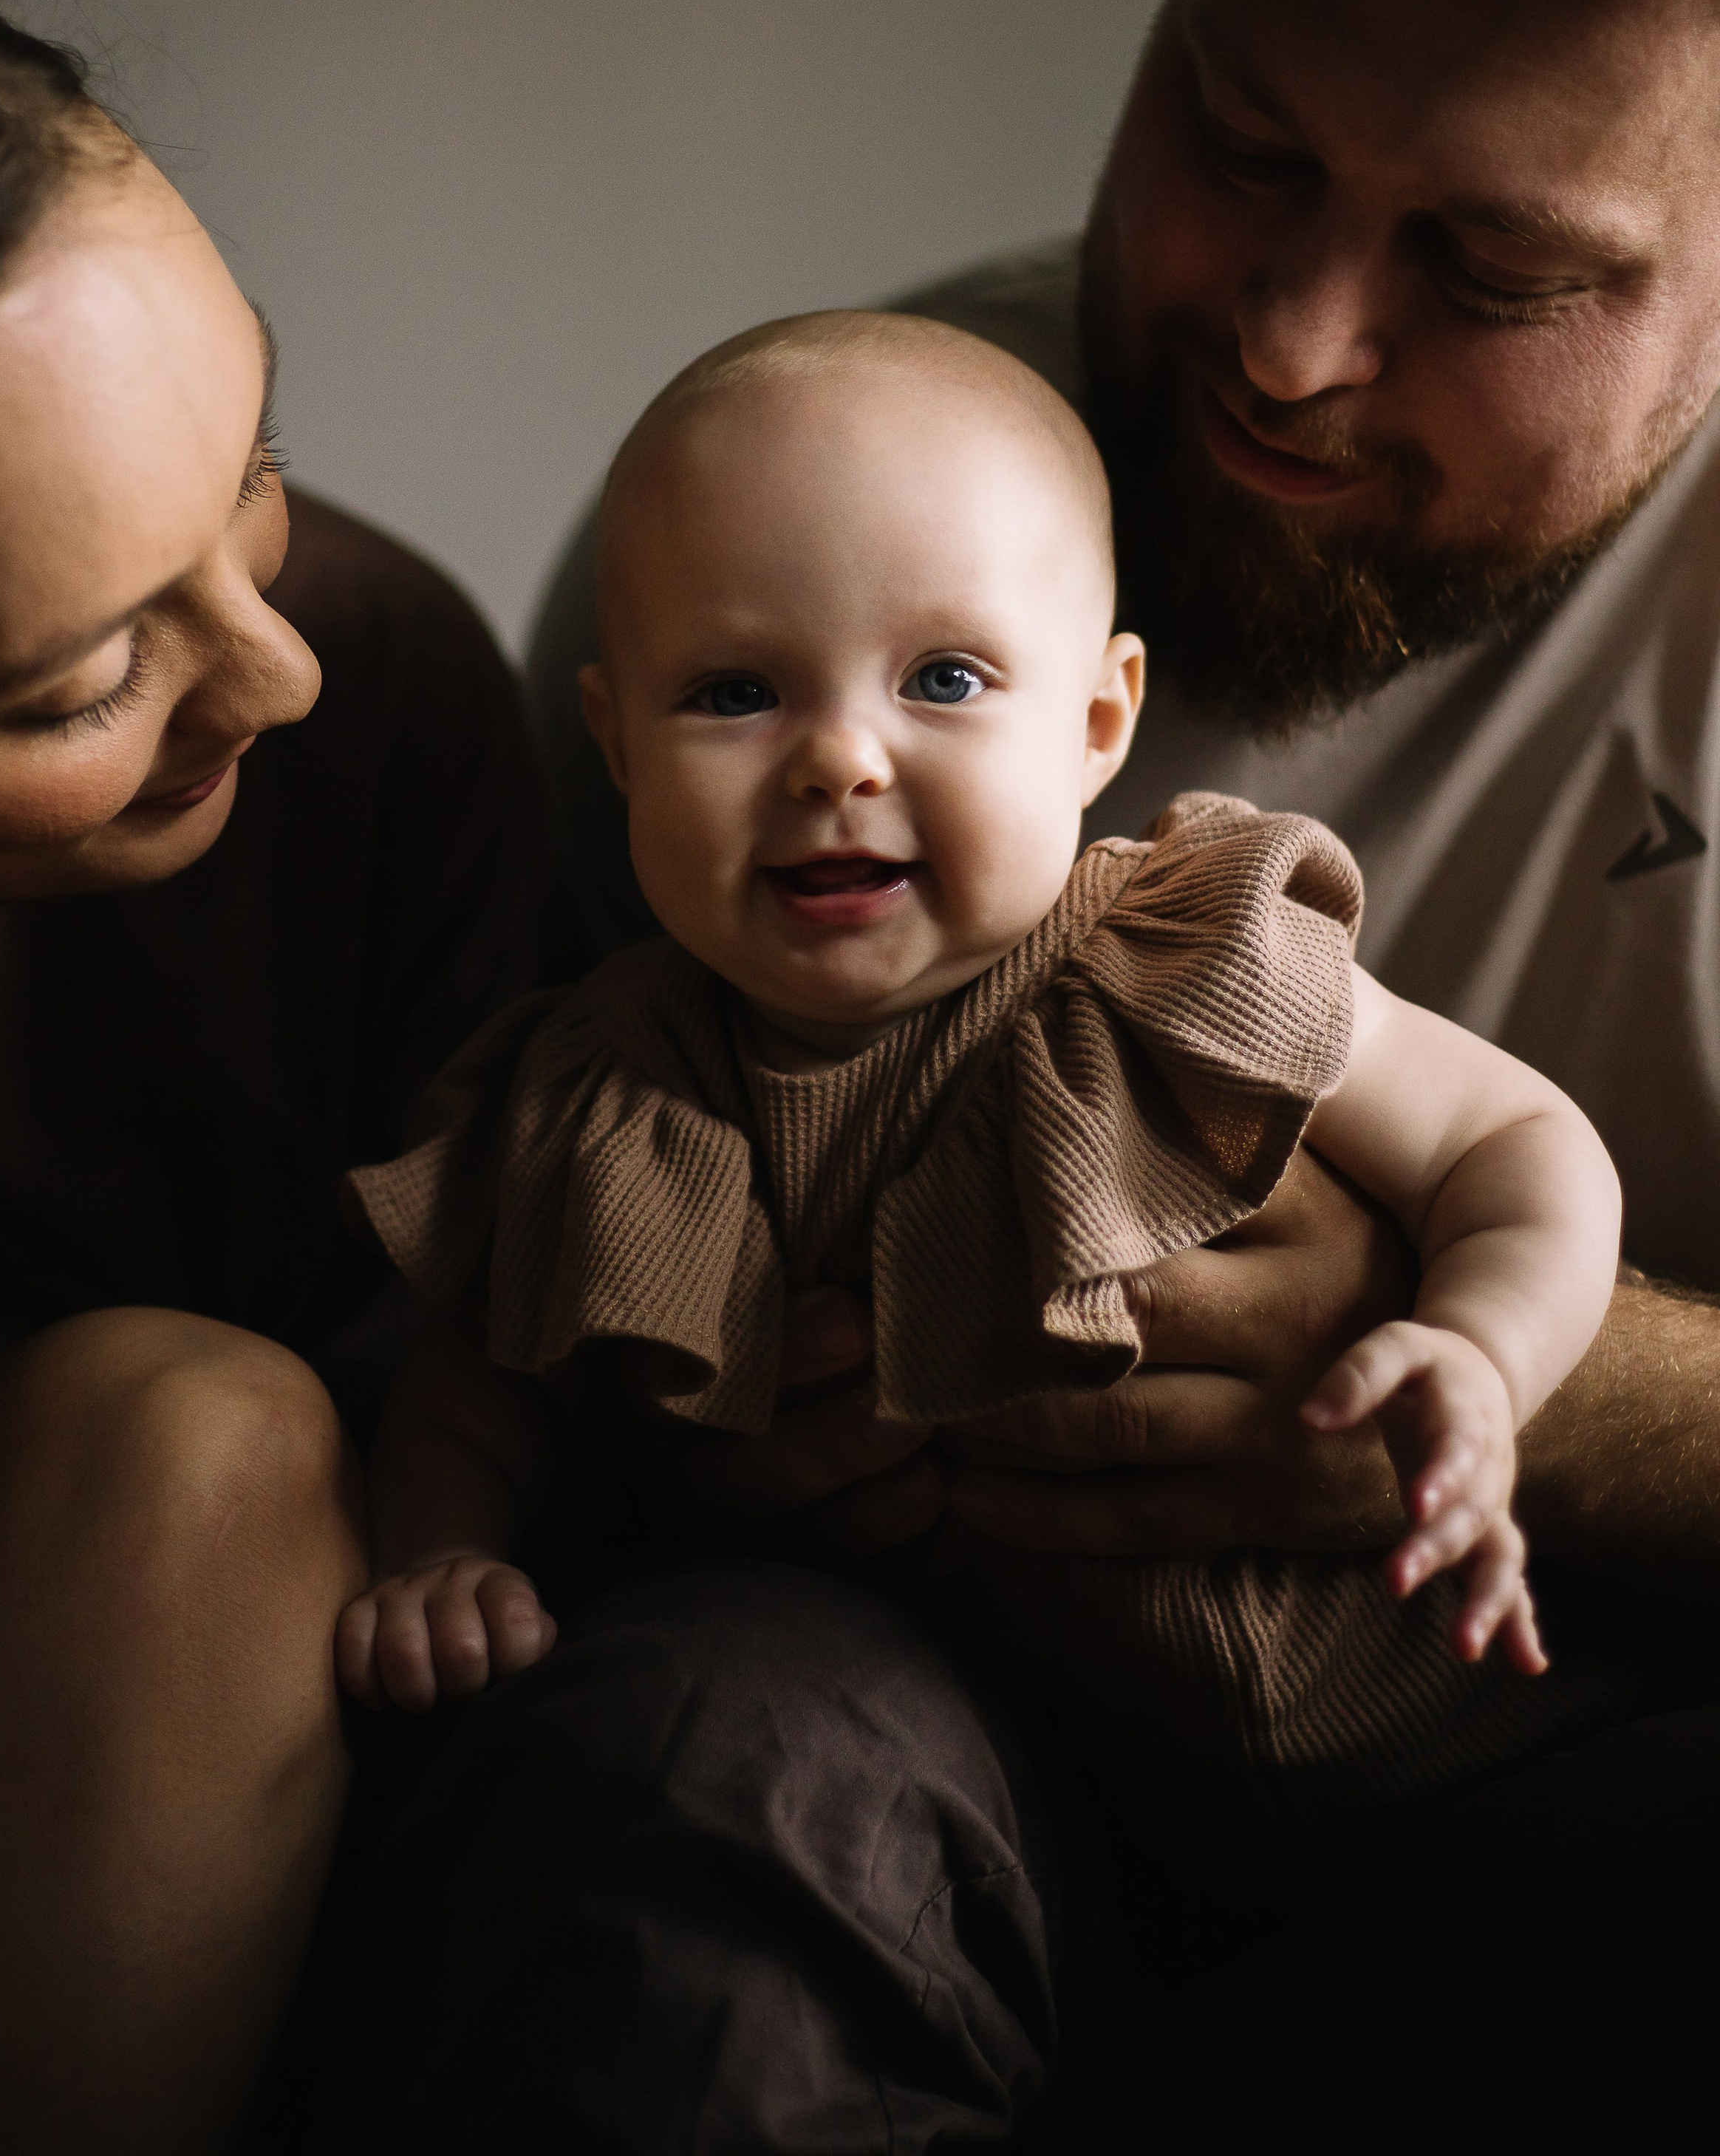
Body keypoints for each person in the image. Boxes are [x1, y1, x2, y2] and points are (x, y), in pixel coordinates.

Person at [300, 0, 1720, 2149]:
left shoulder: (1215, 921)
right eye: (1242, 135)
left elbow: (1503, 1168)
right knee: (685, 1775)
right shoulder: (812, 500)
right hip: (936, 1710)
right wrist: (666, 1437)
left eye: (1498, 272)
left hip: (1547, 1720)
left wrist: (1536, 1382)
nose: (1290, 342)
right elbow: (536, 1278)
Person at [340, 307, 1638, 1829]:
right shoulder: (604, 1093)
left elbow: (1513, 1143)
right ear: (617, 743)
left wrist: (1480, 1354)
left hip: (1469, 1736)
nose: (838, 760)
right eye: (735, 693)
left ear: (1095, 724)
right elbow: (478, 1389)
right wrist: (442, 1554)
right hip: (1040, 1799)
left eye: (944, 680)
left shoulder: (1187, 961)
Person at [0, 0, 567, 2152]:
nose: (274, 674)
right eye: (79, 688)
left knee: (191, 1437)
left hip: (268, 1834)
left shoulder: (377, 699)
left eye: (256, 464)